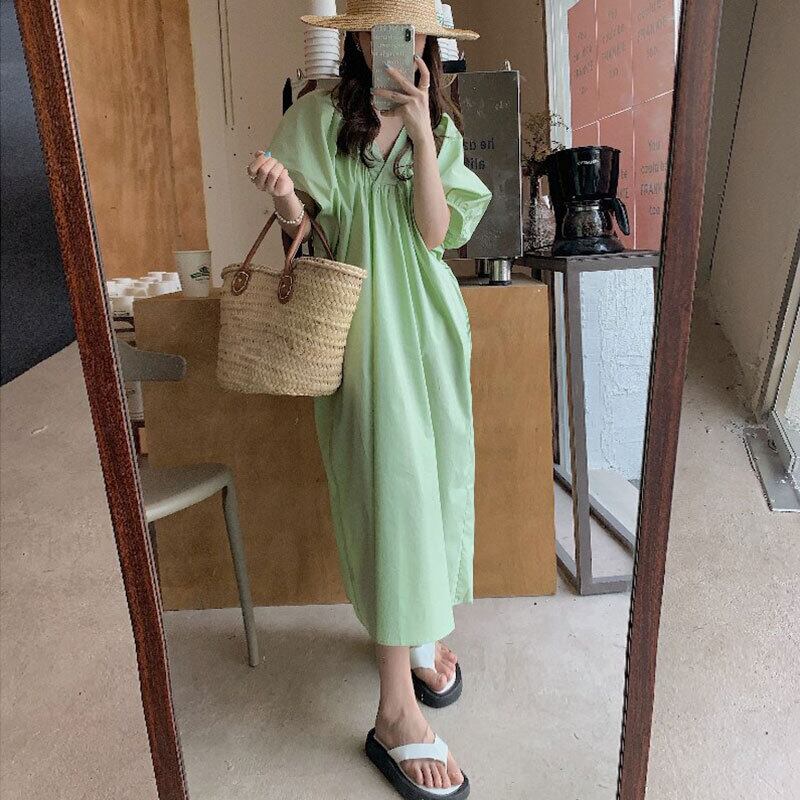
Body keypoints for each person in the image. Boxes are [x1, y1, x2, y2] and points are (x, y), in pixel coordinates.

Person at [246, 2, 490, 797]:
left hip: (431, 335)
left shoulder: (438, 129)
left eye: (409, 28)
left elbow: (436, 235)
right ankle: (395, 713)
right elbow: (305, 242)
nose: (395, 43)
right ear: (355, 36)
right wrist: (285, 199)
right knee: (391, 501)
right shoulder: (317, 121)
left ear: (427, 41)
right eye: (381, 25)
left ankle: (414, 638)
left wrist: (420, 129)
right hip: (361, 336)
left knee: (434, 486)